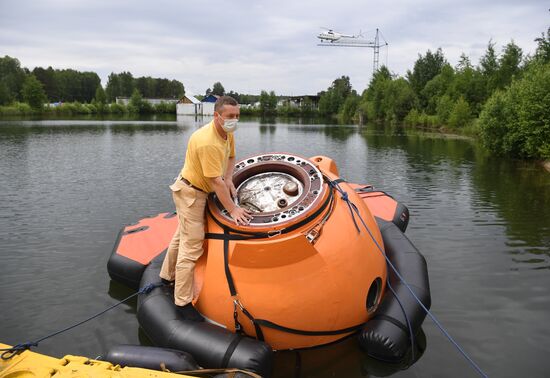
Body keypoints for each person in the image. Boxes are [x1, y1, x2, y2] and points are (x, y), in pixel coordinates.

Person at [160, 95, 252, 321]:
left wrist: (230, 178)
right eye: (230, 116)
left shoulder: (227, 133)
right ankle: (182, 302)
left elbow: (231, 157)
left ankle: (166, 275)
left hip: (195, 188)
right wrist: (233, 210)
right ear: (217, 116)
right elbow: (215, 182)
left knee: (181, 235)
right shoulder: (208, 141)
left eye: (237, 116)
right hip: (191, 192)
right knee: (191, 247)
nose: (234, 120)